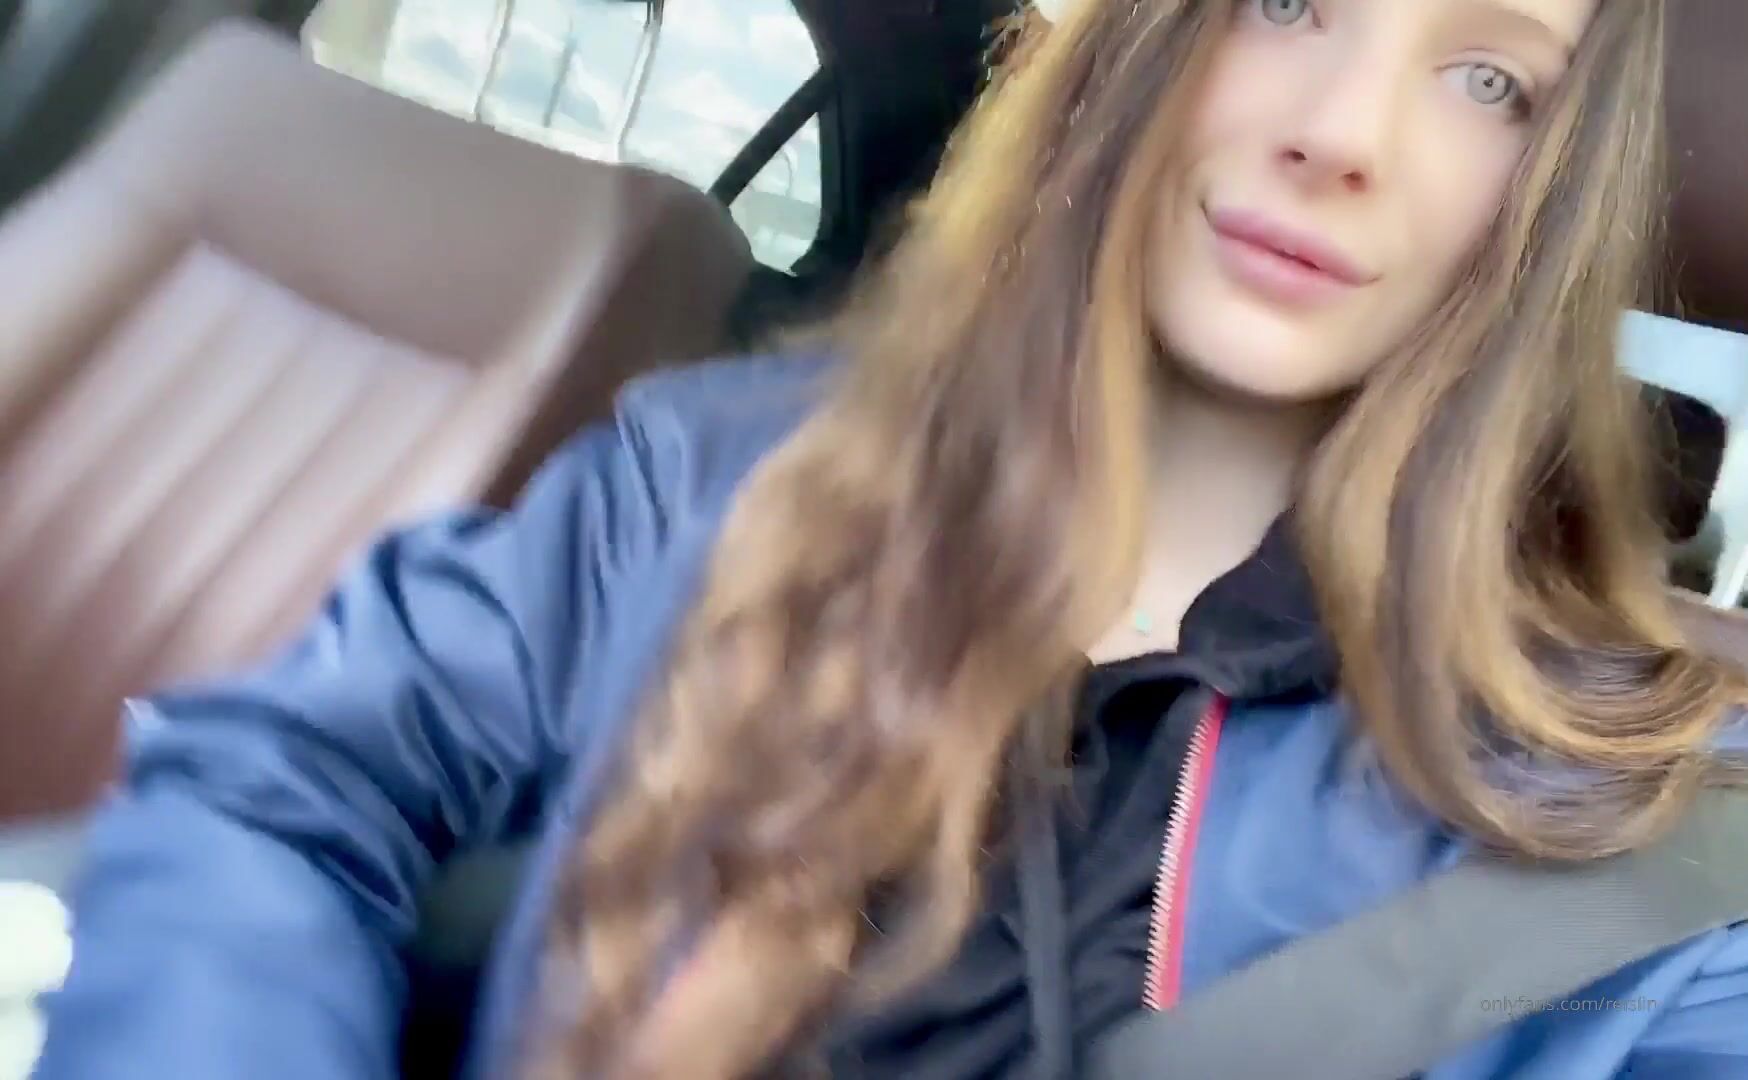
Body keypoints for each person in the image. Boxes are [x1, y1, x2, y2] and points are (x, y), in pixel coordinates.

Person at [32, 0, 1748, 1077]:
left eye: (1489, 79)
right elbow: (283, 774)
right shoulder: (709, 480)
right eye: (1285, 2)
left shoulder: (1630, 832)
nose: (1343, 135)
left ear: (1553, 188)